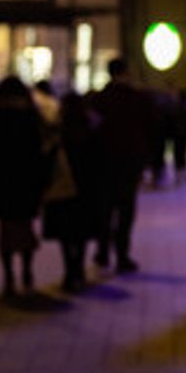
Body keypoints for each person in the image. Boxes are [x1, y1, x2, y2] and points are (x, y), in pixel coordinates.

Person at [90, 57, 155, 273]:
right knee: (126, 210)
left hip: (104, 162)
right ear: (126, 72)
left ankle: (102, 251)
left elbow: (92, 130)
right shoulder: (137, 99)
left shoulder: (99, 99)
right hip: (129, 162)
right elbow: (150, 129)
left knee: (104, 209)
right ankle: (122, 254)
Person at [0, 77, 48, 299]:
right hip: (26, 180)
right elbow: (39, 151)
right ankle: (27, 271)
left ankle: (9, 276)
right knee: (25, 226)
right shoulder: (30, 115)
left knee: (6, 230)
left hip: (3, 181)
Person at [41, 94, 105, 292]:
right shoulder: (92, 131)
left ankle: (70, 271)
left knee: (66, 234)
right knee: (82, 232)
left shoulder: (58, 133)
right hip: (87, 189)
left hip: (63, 188)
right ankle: (79, 269)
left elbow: (47, 159)